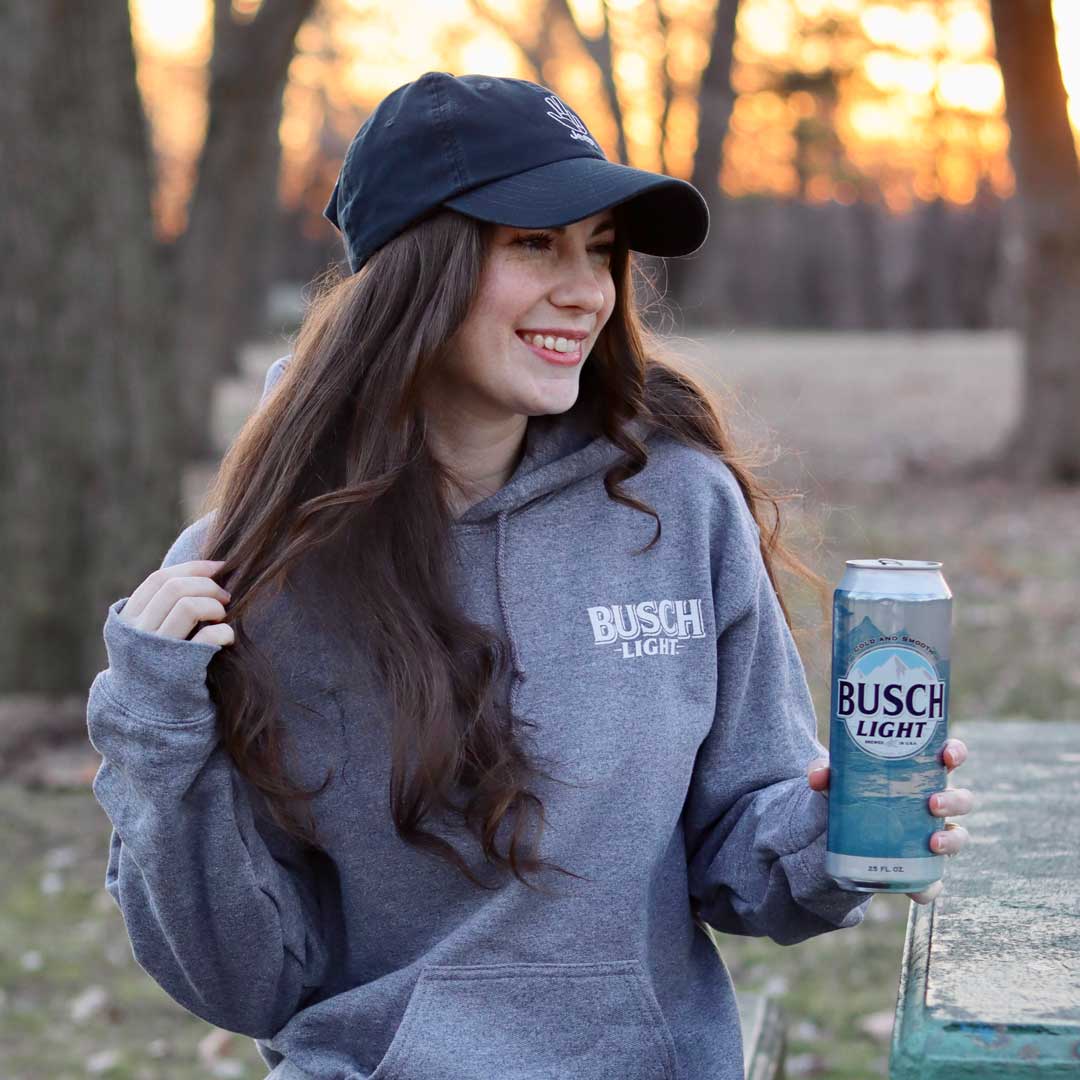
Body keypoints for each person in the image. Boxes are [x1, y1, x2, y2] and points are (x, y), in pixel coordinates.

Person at [86, 72, 973, 1080]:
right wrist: (154, 734)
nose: (587, 290)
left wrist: (839, 825)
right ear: (414, 273)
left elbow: (743, 851)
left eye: (601, 250)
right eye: (534, 243)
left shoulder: (675, 505)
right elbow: (246, 981)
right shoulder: (257, 568)